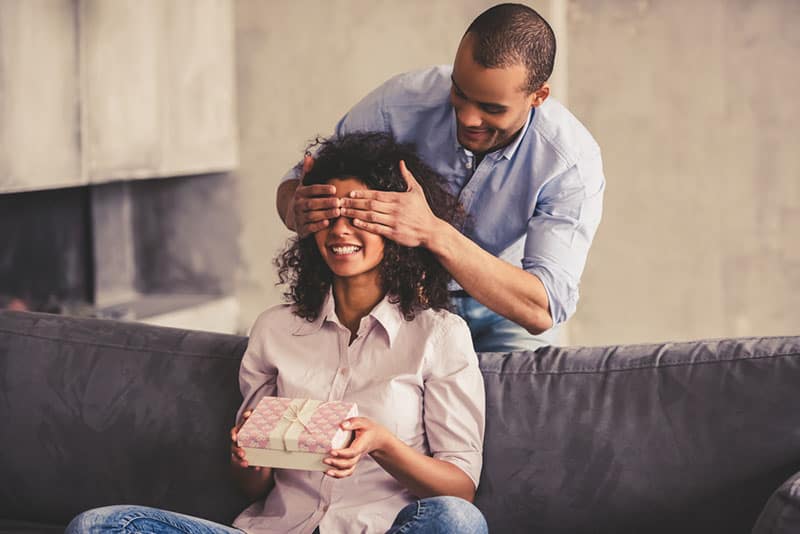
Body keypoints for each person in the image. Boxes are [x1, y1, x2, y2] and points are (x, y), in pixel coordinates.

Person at [66, 132, 487, 534]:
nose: (340, 230)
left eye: (358, 215)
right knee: (98, 526)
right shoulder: (275, 330)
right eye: (328, 214)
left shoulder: (440, 336)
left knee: (457, 523)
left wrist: (382, 444)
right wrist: (247, 457)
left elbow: (459, 490)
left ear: (394, 225)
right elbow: (252, 486)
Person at [277, 3, 605, 353]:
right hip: (402, 296)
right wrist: (298, 209)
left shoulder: (570, 163)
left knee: (513, 402)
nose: (467, 118)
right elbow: (293, 186)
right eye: (460, 93)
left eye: (491, 109)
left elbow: (543, 307)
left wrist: (430, 231)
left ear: (538, 96)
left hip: (503, 311)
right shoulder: (398, 103)